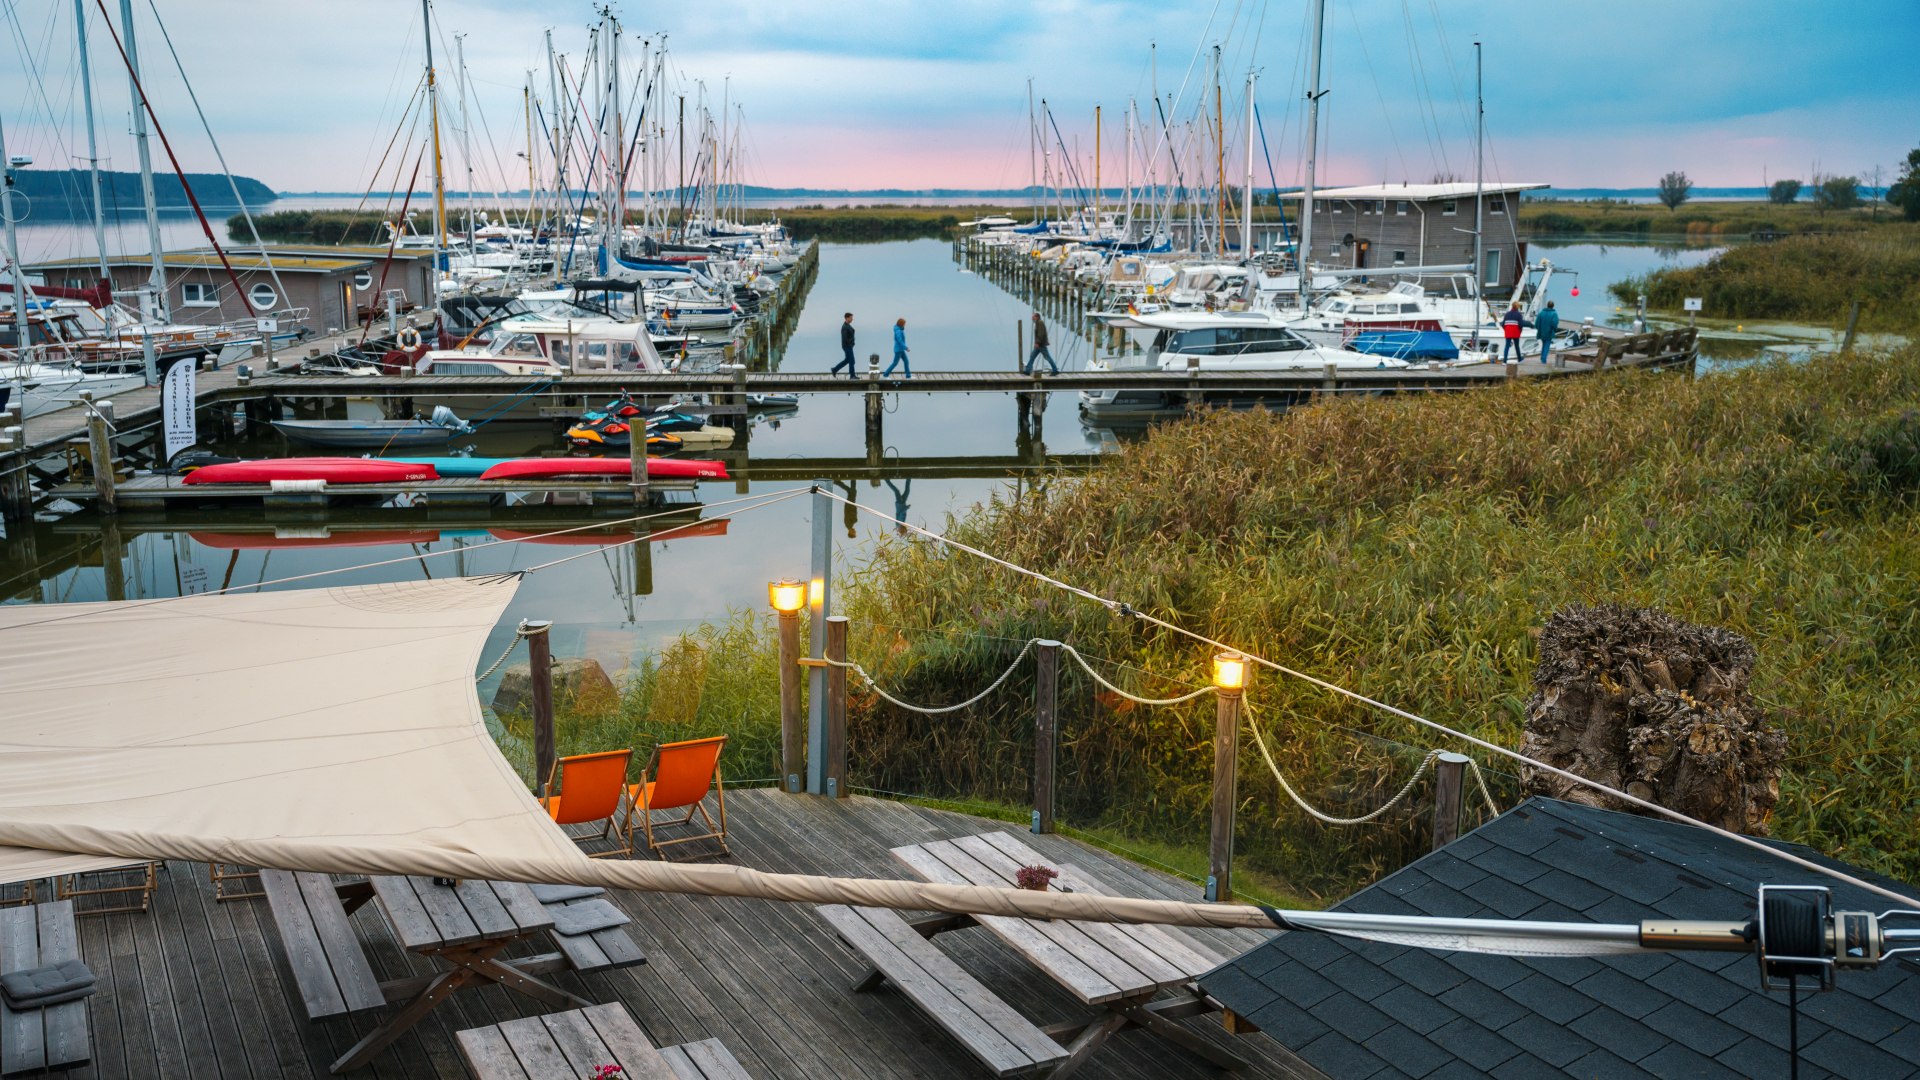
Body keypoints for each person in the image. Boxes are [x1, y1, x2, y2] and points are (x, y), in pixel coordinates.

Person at [1535, 301, 1561, 365]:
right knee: (1546, 346)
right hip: (1549, 332)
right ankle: (1543, 360)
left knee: (1544, 345)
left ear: (1547, 305)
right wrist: (1554, 330)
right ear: (1553, 306)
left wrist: (1539, 329)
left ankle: (1542, 358)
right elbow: (1554, 324)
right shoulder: (1554, 314)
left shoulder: (1541, 313)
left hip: (1541, 332)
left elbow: (1536, 323)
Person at [831, 313, 857, 378]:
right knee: (852, 360)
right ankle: (852, 375)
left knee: (848, 360)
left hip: (848, 346)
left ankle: (834, 369)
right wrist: (851, 343)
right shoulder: (845, 327)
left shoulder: (847, 325)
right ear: (847, 318)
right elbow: (845, 338)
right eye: (851, 318)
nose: (852, 319)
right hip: (847, 346)